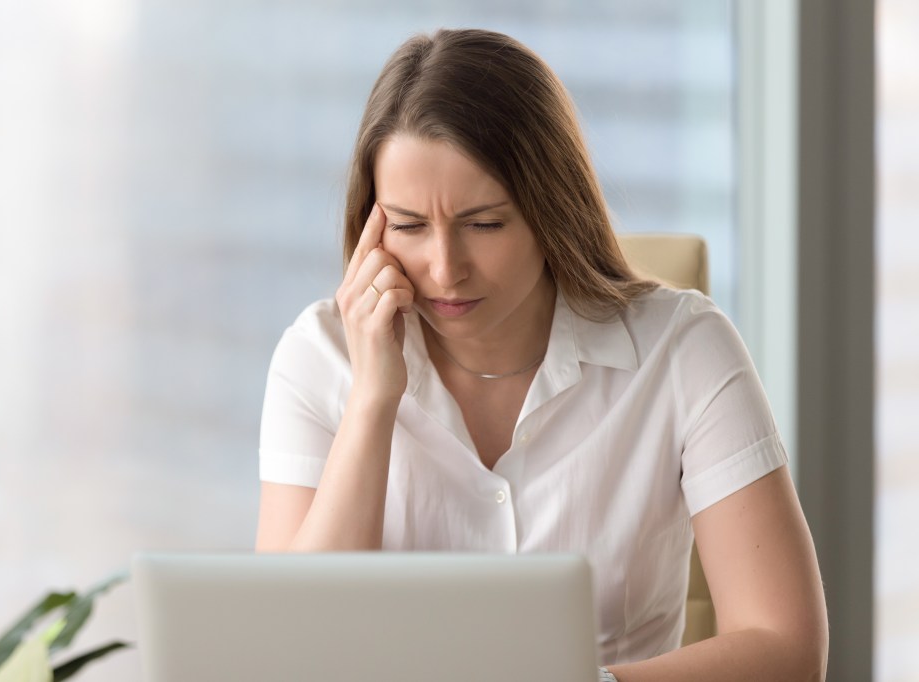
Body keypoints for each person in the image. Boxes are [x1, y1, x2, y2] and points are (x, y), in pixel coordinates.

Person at [255, 28, 827, 681]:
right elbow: (290, 655)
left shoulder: (683, 349)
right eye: (409, 226)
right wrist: (372, 402)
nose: (444, 269)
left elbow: (786, 648)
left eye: (484, 224)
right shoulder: (318, 357)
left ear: (551, 208)